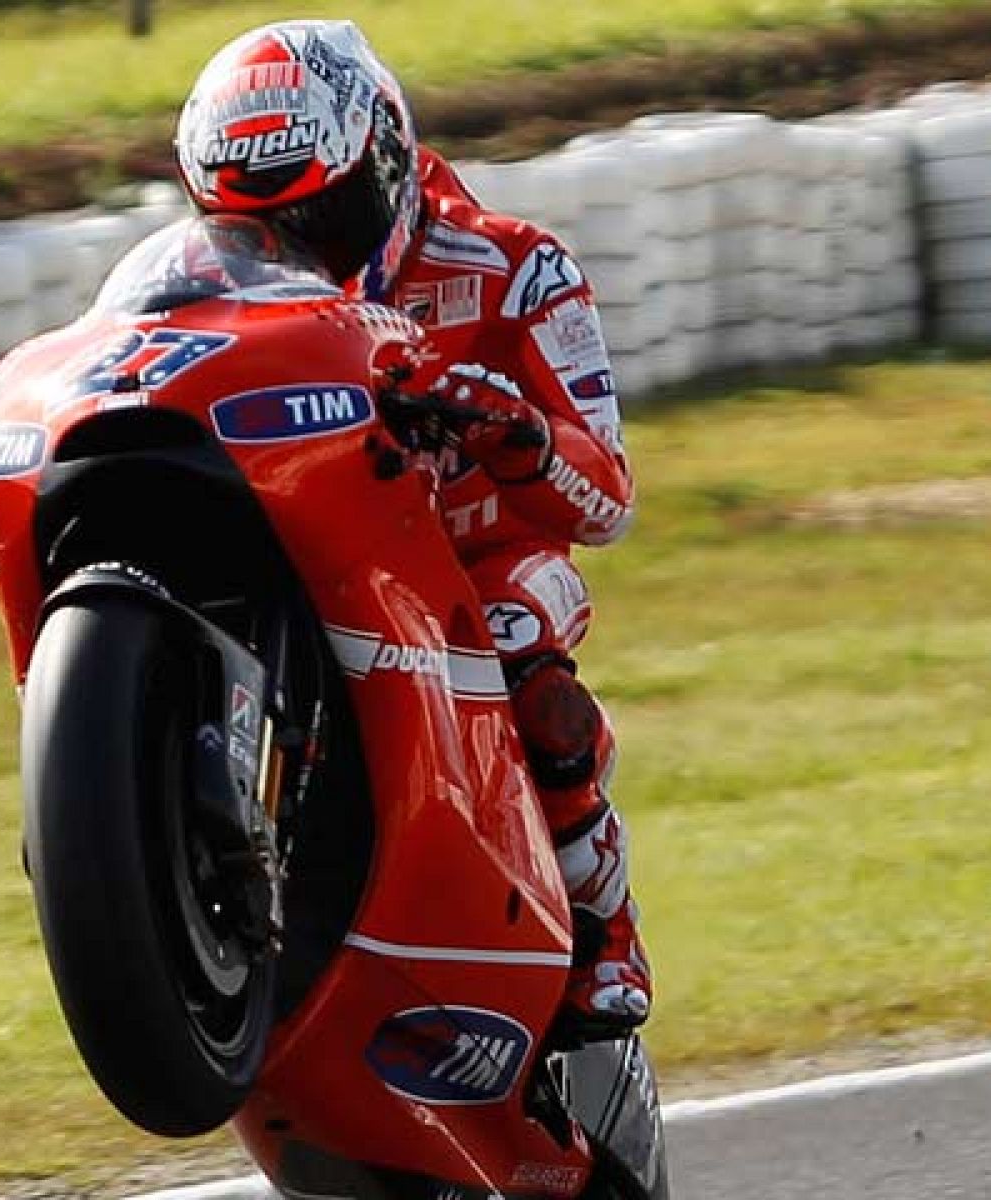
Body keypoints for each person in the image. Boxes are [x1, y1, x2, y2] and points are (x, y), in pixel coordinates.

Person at [174, 20, 650, 1028]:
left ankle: (604, 926)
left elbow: (607, 500)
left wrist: (515, 434)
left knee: (519, 640)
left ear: (385, 164)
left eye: (322, 220)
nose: (291, 255)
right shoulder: (200, 289)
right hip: (316, 549)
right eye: (257, 234)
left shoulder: (521, 269)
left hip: (491, 563)